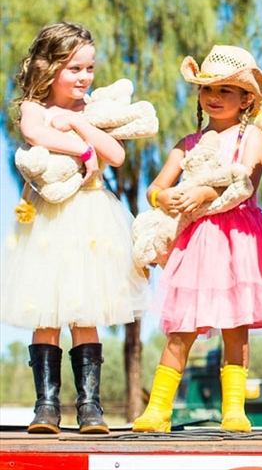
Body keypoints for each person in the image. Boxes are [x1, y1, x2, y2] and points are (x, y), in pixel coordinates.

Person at [133, 45, 262, 433]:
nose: (214, 97)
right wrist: (165, 197)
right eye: (208, 89)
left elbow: (246, 182)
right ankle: (158, 408)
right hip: (196, 240)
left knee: (235, 323)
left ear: (246, 99)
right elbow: (156, 188)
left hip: (237, 238)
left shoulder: (252, 136)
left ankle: (234, 408)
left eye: (226, 90)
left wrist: (203, 194)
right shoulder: (188, 144)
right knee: (183, 325)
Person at [0, 22, 149, 435]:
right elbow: (34, 132)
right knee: (44, 309)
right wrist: (84, 149)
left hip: (89, 218)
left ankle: (90, 406)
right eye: (74, 69)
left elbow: (116, 155)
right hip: (48, 218)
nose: (84, 77)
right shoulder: (34, 106)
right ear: (50, 68)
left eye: (90, 68)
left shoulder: (92, 111)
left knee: (86, 308)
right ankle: (46, 405)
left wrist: (82, 125)